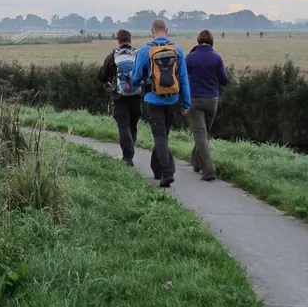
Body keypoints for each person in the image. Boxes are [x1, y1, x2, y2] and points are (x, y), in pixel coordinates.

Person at [130, 19, 191, 188]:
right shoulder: (177, 49)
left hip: (152, 99)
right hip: (172, 99)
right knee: (163, 134)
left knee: (160, 135)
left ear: (152, 31)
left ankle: (167, 172)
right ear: (167, 30)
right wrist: (186, 103)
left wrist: (133, 86)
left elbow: (136, 76)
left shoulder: (145, 50)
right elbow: (184, 78)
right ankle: (157, 169)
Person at [185, 30, 229, 181]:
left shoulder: (190, 57)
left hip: (195, 99)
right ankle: (197, 163)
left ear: (198, 41)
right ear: (212, 41)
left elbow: (182, 78)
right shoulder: (217, 58)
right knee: (204, 134)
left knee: (200, 134)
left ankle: (208, 170)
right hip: (212, 100)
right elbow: (224, 80)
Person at [97, 29, 142, 166]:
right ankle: (130, 150)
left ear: (118, 40)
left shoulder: (112, 57)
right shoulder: (138, 55)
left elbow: (102, 76)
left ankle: (128, 157)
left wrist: (107, 83)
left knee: (123, 126)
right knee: (132, 125)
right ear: (130, 40)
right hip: (136, 95)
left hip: (118, 96)